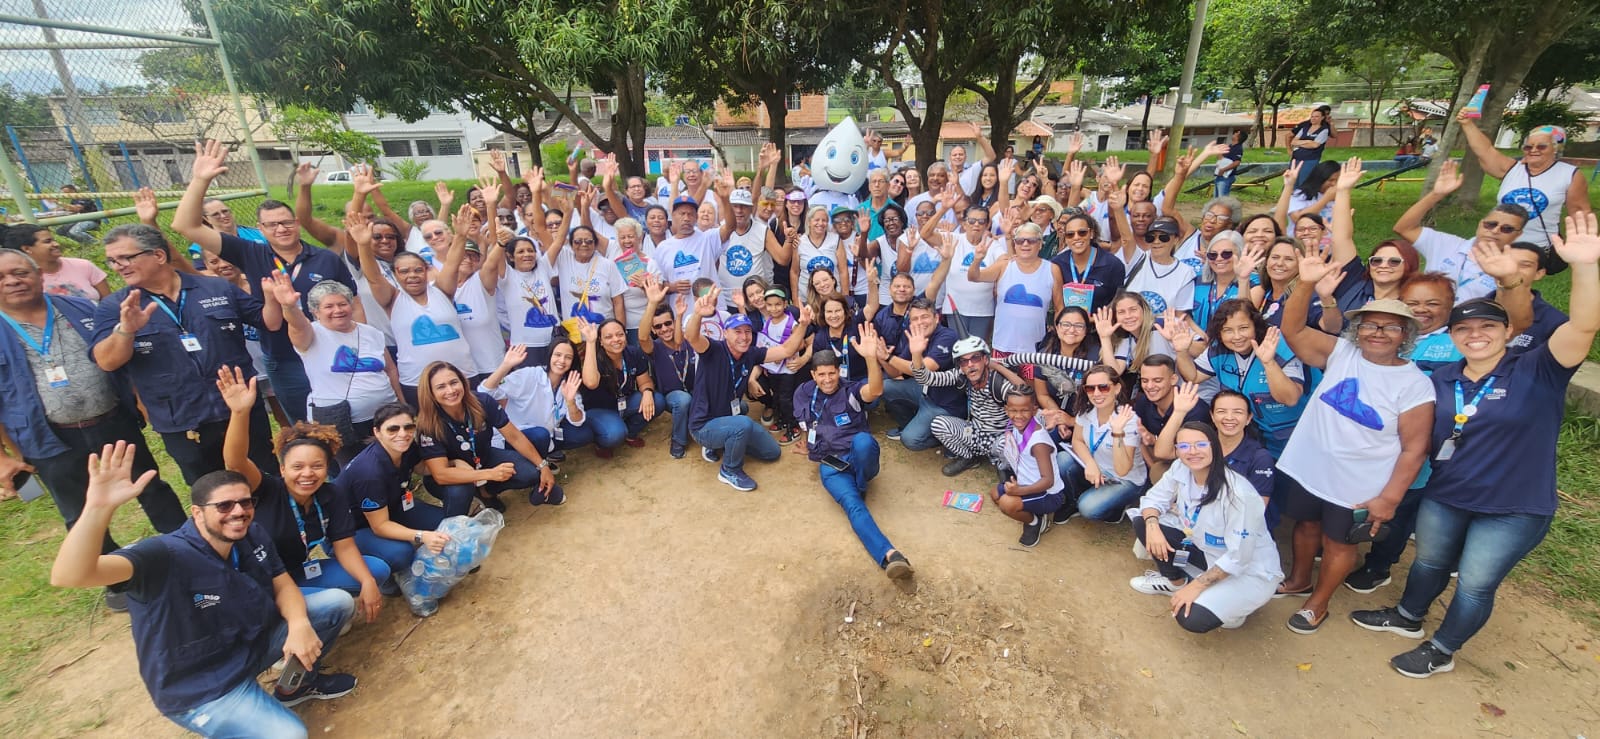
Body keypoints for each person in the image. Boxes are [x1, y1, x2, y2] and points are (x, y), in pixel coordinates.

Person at [1350, 213, 1599, 677]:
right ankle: (1407, 618)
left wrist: (1586, 267)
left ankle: (1442, 649)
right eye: (1465, 330)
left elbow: (1583, 328)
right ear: (1454, 336)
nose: (1476, 335)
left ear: (1508, 332)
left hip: (1514, 506)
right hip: (1448, 492)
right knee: (1427, 562)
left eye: (1488, 327)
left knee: (1475, 585)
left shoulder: (1538, 369)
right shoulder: (1442, 379)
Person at [50, 444, 357, 737]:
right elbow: (71, 575)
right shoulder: (162, 555)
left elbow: (281, 581)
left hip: (249, 645)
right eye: (223, 505)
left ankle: (295, 687)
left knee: (335, 604)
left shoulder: (252, 534)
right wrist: (97, 509)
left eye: (246, 502)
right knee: (289, 734)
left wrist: (299, 625)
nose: (238, 512)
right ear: (196, 513)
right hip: (202, 684)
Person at [0, 248, 186, 611]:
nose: (12, 281)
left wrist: (141, 400)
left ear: (39, 274)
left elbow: (121, 357)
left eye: (20, 272)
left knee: (150, 486)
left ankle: (189, 549)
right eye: (2, 277)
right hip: (50, 436)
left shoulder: (79, 309)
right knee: (79, 509)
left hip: (112, 420)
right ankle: (117, 580)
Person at [1274, 253, 1435, 635]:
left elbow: (1415, 449)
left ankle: (1319, 604)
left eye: (1390, 328)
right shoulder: (1341, 352)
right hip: (1311, 468)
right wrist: (1306, 283)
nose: (1378, 333)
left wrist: (1390, 499)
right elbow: (1293, 329)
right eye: (1370, 325)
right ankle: (1299, 579)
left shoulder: (1415, 385)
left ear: (1405, 337)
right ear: (1357, 330)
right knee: (1305, 525)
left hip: (1358, 485)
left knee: (1339, 543)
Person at [175, 140, 359, 426]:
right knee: (303, 427)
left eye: (286, 222)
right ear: (260, 229)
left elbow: (354, 301)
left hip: (329, 352)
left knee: (341, 420)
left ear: (297, 223)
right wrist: (201, 180)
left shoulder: (325, 259)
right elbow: (185, 226)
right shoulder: (250, 252)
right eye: (271, 225)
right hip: (284, 358)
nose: (281, 229)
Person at [90, 224, 278, 484]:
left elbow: (267, 321)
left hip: (241, 408)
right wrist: (126, 331)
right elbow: (107, 361)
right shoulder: (116, 307)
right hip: (183, 420)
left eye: (126, 258)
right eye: (112, 261)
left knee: (265, 477)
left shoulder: (216, 289)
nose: (118, 266)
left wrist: (274, 298)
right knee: (211, 490)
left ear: (158, 255)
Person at [216, 367, 388, 617]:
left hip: (298, 572)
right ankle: (302, 616)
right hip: (263, 584)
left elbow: (345, 546)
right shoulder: (265, 490)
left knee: (376, 572)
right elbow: (235, 461)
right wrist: (239, 412)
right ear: (282, 469)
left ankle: (317, 607)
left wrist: (367, 582)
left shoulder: (331, 494)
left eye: (317, 466)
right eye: (297, 467)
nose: (307, 474)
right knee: (339, 603)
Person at [1128, 421, 1281, 633]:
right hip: (1206, 549)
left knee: (1190, 617)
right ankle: (1175, 581)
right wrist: (1153, 525)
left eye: (1200, 444)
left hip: (1247, 571)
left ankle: (1232, 610)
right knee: (1143, 522)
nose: (1192, 452)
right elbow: (1153, 499)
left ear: (1214, 447)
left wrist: (1198, 585)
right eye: (1183, 446)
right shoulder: (1182, 467)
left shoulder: (1238, 494)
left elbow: (1239, 557)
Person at [793, 336, 916, 589]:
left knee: (863, 441)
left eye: (832, 373)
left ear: (839, 372)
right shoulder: (803, 392)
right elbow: (806, 423)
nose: (827, 379)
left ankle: (861, 484)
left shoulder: (850, 390)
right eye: (822, 374)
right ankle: (890, 556)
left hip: (860, 458)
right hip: (831, 466)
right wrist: (807, 442)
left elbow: (875, 390)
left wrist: (871, 357)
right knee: (854, 507)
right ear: (813, 374)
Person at [262, 275, 401, 466]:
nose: (337, 310)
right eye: (329, 306)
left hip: (383, 413)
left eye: (342, 304)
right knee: (355, 469)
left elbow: (391, 369)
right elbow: (296, 324)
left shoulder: (371, 333)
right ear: (315, 312)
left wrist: (401, 404)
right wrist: (289, 307)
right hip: (338, 421)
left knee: (391, 462)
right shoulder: (310, 334)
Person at [684, 287, 813, 492]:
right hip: (703, 426)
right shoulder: (713, 350)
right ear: (725, 334)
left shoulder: (750, 354)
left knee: (772, 453)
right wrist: (698, 314)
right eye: (737, 332)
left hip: (728, 417)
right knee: (743, 422)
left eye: (747, 332)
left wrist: (803, 324)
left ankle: (726, 441)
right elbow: (692, 338)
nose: (743, 337)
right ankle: (729, 469)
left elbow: (787, 350)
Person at [353, 208, 478, 405]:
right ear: (395, 275)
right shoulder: (392, 299)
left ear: (427, 270)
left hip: (462, 374)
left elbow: (453, 263)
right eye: (404, 271)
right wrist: (363, 245)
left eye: (418, 270)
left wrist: (461, 236)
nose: (412, 275)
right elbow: (374, 277)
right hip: (417, 382)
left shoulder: (442, 290)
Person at [415, 361, 560, 514]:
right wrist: (489, 474)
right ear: (430, 392)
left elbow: (514, 436)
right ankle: (456, 522)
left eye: (454, 382)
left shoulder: (482, 402)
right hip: (452, 473)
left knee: (530, 472)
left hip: (483, 457)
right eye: (441, 387)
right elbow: (441, 474)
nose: (450, 390)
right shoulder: (428, 424)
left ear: (463, 382)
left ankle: (486, 493)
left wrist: (543, 465)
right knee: (460, 490)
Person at [1170, 300, 1308, 458]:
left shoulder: (1277, 344)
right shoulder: (1218, 350)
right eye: (1227, 330)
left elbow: (1290, 399)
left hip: (1295, 436)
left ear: (1255, 325)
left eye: (1243, 328)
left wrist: (1269, 363)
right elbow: (1193, 376)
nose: (1236, 337)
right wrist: (1181, 352)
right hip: (1254, 434)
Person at [1393, 160, 1529, 304]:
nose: (1495, 231)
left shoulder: (1512, 267)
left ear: (1518, 234)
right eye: (1490, 224)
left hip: (1470, 324)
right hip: (1424, 317)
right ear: (1480, 224)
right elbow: (1403, 228)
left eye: (1506, 229)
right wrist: (1436, 195)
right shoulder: (1446, 243)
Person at [1457, 111, 1590, 248]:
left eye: (1541, 146)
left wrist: (1581, 245)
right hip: (1499, 243)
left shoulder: (1569, 174)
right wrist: (1467, 124)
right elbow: (1485, 150)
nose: (1533, 150)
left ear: (1555, 148)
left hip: (1537, 248)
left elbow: (1579, 212)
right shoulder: (1512, 168)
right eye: (1528, 147)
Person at [1057, 365, 1146, 523]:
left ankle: (1115, 510)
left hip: (1124, 480)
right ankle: (1074, 501)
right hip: (1099, 469)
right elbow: (1077, 440)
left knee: (1088, 508)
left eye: (1103, 387)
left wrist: (1117, 432)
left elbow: (1123, 469)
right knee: (1062, 459)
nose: (1096, 393)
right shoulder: (1086, 411)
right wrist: (1090, 463)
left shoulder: (1128, 419)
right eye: (1090, 389)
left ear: (1117, 388)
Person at [879, 297, 964, 451]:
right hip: (924, 391)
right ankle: (909, 424)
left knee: (910, 440)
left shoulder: (947, 336)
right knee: (886, 386)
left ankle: (943, 436)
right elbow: (896, 373)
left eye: (924, 317)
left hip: (945, 403)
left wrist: (890, 358)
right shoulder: (915, 337)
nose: (920, 322)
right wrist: (884, 360)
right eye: (915, 319)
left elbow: (926, 368)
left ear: (936, 318)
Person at [970, 222, 1063, 355]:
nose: (1025, 244)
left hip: (1036, 348)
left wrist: (1059, 337)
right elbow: (974, 277)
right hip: (1003, 345)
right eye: (1020, 241)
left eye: (1031, 241)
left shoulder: (1052, 269)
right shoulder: (1004, 266)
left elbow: (1060, 308)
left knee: (1031, 377)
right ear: (1015, 243)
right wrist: (977, 260)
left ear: (1040, 244)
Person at [991, 386, 1066, 547]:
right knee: (994, 495)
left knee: (1006, 503)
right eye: (1013, 410)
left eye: (1024, 411)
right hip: (1026, 484)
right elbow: (1021, 388)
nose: (1018, 416)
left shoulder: (1038, 443)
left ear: (1033, 410)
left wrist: (1019, 492)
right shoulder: (1020, 423)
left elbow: (1048, 481)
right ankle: (1030, 510)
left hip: (1048, 493)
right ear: (1006, 409)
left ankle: (1035, 521)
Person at [578, 318, 660, 455]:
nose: (616, 339)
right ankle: (601, 442)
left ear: (625, 335)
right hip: (598, 409)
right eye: (608, 337)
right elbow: (591, 383)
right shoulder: (594, 358)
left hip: (623, 402)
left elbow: (645, 382)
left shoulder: (633, 353)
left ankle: (630, 432)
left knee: (657, 400)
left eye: (620, 334)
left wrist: (647, 392)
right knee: (614, 435)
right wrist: (590, 343)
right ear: (601, 342)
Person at [640, 277, 698, 458]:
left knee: (740, 407)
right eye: (658, 326)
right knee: (683, 400)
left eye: (668, 323)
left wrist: (680, 316)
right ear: (654, 330)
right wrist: (652, 303)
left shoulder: (688, 340)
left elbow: (682, 339)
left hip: (696, 390)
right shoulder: (655, 347)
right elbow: (642, 338)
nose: (664, 329)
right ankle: (679, 440)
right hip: (673, 397)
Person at [946, 207, 1008, 341]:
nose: (976, 225)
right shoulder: (954, 239)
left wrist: (996, 281)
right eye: (972, 220)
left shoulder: (993, 244)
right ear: (964, 223)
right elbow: (926, 234)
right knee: (957, 353)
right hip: (954, 308)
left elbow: (1005, 261)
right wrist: (943, 208)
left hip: (983, 310)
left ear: (987, 225)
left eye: (981, 221)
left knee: (978, 354)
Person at [2, 225, 110, 299]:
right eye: (48, 241)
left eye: (53, 240)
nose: (56, 244)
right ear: (27, 249)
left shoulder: (83, 266)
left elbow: (109, 301)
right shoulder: (23, 280)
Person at [1123, 217, 1198, 316]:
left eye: (1163, 237)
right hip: (1131, 327)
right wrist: (1118, 209)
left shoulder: (1185, 272)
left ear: (1176, 239)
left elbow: (1181, 315)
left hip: (1162, 330)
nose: (1156, 241)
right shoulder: (1138, 258)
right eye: (1151, 237)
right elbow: (1127, 239)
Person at [1289, 105, 1332, 186]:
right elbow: (1293, 142)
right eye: (1312, 116)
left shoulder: (1324, 130)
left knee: (1304, 181)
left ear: (1322, 118)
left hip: (1310, 160)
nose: (1313, 118)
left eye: (1316, 116)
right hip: (1296, 158)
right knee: (1292, 182)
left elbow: (1315, 145)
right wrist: (1308, 141)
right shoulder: (1304, 128)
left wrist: (1300, 143)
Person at [1213, 131, 1245, 197]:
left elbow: (1237, 162)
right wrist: (1219, 151)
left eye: (1236, 133)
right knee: (1216, 198)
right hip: (1219, 175)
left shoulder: (1238, 148)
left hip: (1226, 177)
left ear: (1238, 137)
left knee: (1222, 199)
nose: (1234, 133)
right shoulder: (1230, 146)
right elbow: (1220, 158)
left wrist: (1223, 170)